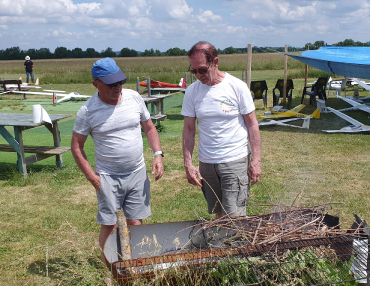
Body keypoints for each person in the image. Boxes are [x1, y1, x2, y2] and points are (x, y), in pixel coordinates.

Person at [71, 57, 164, 266]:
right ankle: (112, 269)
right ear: (96, 84)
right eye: (111, 84)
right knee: (110, 225)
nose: (118, 87)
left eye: (120, 81)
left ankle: (137, 264)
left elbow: (149, 127)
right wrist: (93, 178)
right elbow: (77, 146)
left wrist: (158, 153)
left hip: (137, 172)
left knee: (136, 222)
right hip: (108, 176)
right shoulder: (87, 111)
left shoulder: (133, 98)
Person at [182, 41, 261, 219]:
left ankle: (238, 245)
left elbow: (252, 124)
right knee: (219, 213)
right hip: (207, 163)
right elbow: (188, 129)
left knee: (235, 214)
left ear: (215, 62)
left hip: (234, 159)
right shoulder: (192, 92)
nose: (198, 75)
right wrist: (188, 163)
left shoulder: (237, 87)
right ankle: (225, 245)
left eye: (202, 69)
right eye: (193, 71)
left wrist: (255, 160)